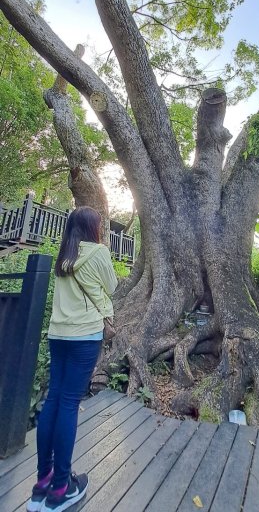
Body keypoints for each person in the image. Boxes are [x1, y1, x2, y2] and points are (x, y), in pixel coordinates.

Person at [27, 206, 117, 512]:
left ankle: (43, 482)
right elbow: (113, 286)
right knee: (67, 404)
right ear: (93, 227)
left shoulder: (65, 255)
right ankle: (63, 487)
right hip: (84, 336)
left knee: (54, 399)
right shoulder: (99, 252)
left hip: (58, 335)